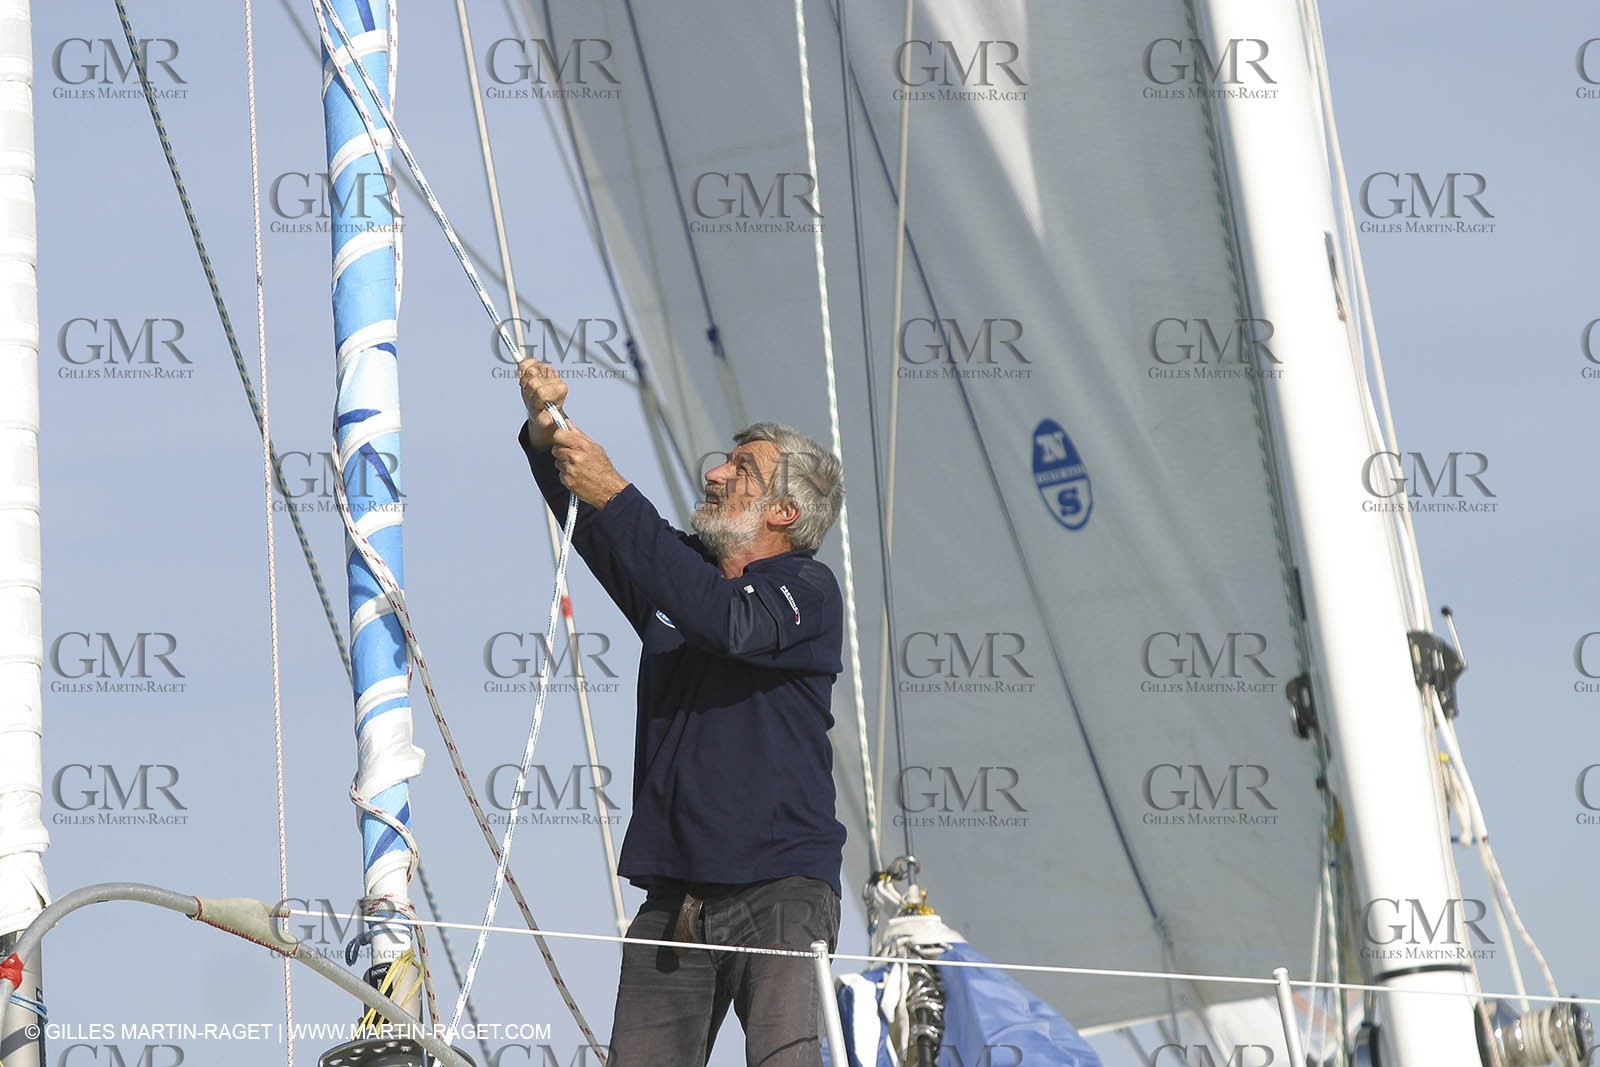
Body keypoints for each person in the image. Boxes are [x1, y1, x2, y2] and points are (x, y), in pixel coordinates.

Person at [516, 358, 848, 1066]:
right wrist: (548, 428)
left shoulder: (807, 591)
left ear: (784, 512)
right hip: (677, 900)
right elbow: (604, 528)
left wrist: (621, 491)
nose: (716, 475)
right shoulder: (687, 584)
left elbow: (727, 621)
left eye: (741, 470)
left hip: (783, 890)